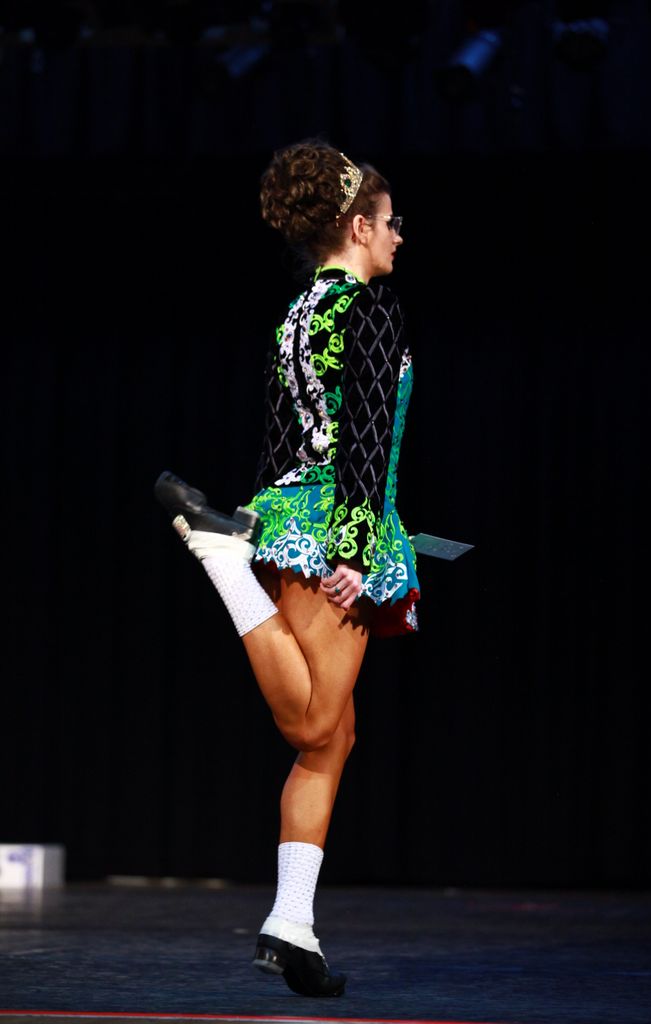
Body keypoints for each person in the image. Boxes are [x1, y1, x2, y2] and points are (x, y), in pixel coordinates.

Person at [155, 139, 419, 997]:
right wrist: (352, 549)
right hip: (335, 524)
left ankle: (291, 923)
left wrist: (270, 522)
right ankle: (222, 562)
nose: (398, 237)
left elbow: (284, 436)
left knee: (334, 739)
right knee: (312, 725)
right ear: (357, 226)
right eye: (390, 223)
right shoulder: (369, 308)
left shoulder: (300, 310)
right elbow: (367, 429)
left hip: (287, 513)